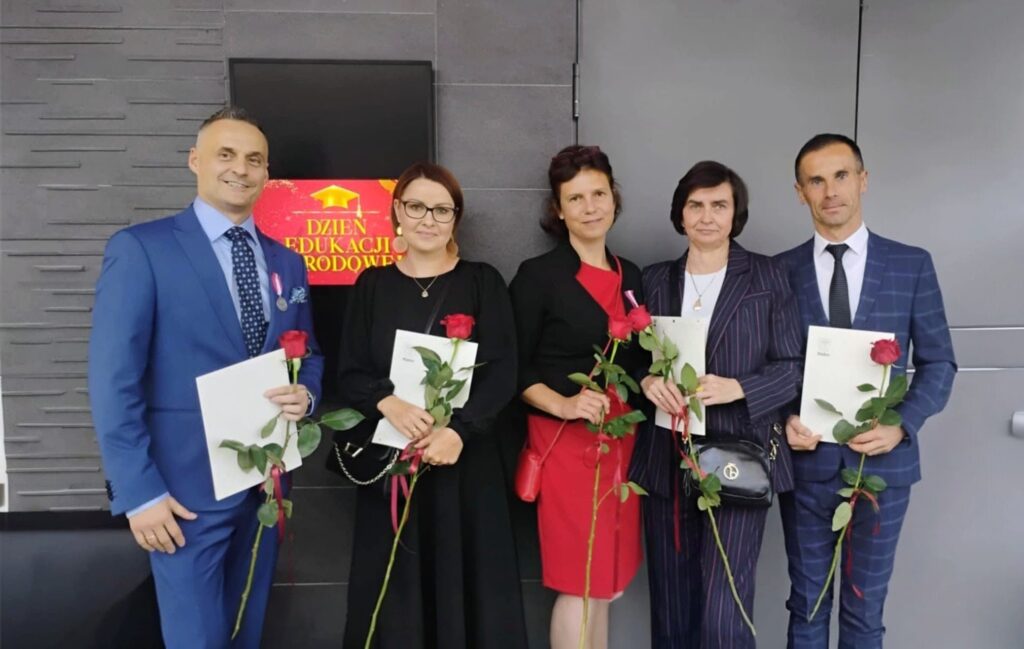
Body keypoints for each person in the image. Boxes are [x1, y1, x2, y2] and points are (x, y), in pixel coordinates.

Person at [89, 106, 323, 648]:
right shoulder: (141, 249)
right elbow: (112, 379)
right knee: (195, 637)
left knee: (246, 631)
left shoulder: (287, 263)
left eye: (254, 159)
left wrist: (307, 394)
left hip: (265, 488)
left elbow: (308, 351)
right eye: (226, 154)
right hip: (181, 495)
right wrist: (138, 491)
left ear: (267, 173)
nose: (241, 168)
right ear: (196, 160)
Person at [334, 162, 528, 649]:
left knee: (470, 587)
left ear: (455, 218)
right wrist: (389, 404)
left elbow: (503, 370)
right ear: (397, 211)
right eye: (417, 206)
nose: (428, 219)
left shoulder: (482, 282)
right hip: (392, 463)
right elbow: (350, 372)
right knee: (394, 590)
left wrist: (459, 431)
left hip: (466, 465)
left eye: (442, 209)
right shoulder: (372, 285)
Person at [776, 133, 957, 648]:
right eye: (816, 181)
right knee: (807, 607)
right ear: (800, 193)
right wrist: (785, 418)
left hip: (884, 470)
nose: (830, 191)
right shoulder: (779, 271)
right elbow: (770, 366)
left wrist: (902, 425)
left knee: (864, 612)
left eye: (841, 176)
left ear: (863, 180)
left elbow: (940, 362)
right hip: (807, 468)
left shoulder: (910, 264)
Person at [629, 160, 804, 648]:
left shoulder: (767, 275)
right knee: (671, 607)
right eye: (696, 205)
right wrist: (647, 382)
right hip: (666, 457)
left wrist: (739, 387)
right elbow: (634, 360)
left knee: (725, 608)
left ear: (735, 213)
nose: (707, 216)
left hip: (739, 457)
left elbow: (792, 367)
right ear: (680, 214)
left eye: (719, 205)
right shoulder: (655, 279)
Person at [509, 145, 647, 649]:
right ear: (558, 209)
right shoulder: (538, 276)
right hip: (566, 444)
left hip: (621, 443)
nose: (590, 207)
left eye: (599, 194)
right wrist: (564, 404)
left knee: (605, 582)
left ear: (614, 199)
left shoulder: (631, 274)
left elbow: (639, 361)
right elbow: (512, 366)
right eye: (576, 198)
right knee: (578, 581)